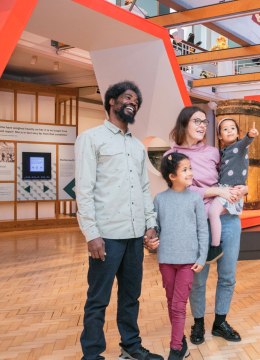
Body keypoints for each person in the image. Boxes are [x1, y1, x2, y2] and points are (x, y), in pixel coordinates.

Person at [75, 80, 163, 360]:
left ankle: (130, 347)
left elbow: (144, 187)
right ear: (111, 101)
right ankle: (91, 355)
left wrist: (150, 223)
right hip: (107, 236)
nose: (133, 102)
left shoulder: (137, 146)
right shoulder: (91, 138)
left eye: (136, 100)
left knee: (130, 297)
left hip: (135, 235)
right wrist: (91, 233)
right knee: (98, 299)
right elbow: (84, 189)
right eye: (128, 97)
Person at [164, 106, 247, 345]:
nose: (202, 125)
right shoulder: (172, 156)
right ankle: (198, 323)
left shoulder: (214, 152)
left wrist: (244, 188)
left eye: (204, 122)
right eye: (196, 121)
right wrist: (216, 190)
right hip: (197, 223)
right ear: (184, 124)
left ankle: (220, 322)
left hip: (228, 219)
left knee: (228, 276)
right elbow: (180, 191)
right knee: (197, 280)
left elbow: (232, 176)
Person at [148, 152, 208, 360]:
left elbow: (203, 230)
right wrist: (150, 242)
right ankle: (181, 343)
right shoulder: (160, 199)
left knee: (179, 305)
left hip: (188, 263)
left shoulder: (195, 198)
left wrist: (201, 258)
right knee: (171, 301)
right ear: (172, 176)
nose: (190, 172)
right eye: (185, 169)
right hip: (166, 260)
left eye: (190, 168)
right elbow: (156, 228)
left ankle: (175, 349)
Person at [206, 118, 259, 263]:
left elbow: (246, 141)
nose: (229, 131)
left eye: (232, 128)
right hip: (226, 189)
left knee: (212, 212)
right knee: (215, 213)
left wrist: (251, 134)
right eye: (225, 129)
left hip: (229, 189)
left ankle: (215, 247)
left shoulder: (240, 146)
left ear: (237, 133)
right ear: (219, 136)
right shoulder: (224, 151)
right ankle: (217, 244)